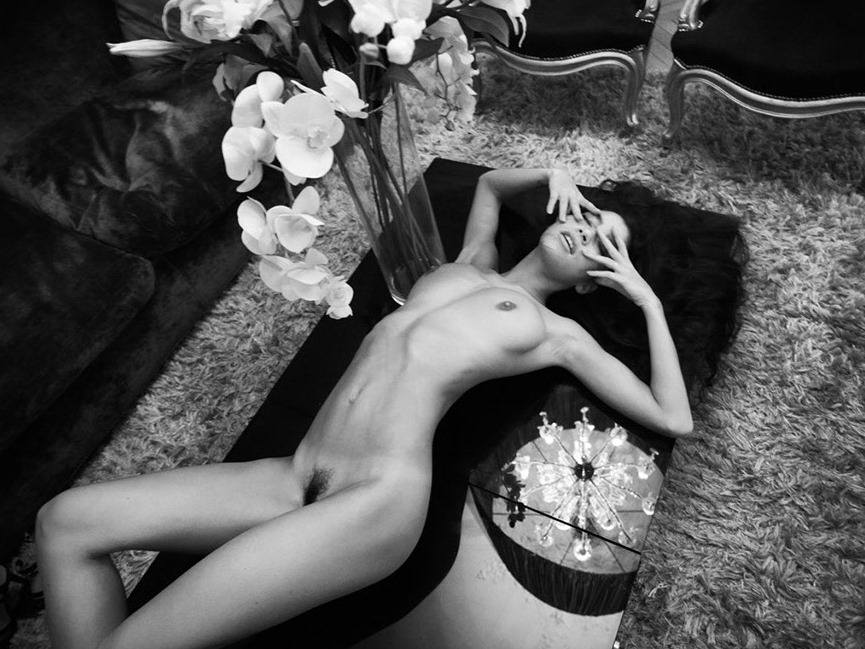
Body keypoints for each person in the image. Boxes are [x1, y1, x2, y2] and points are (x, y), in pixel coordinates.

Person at [35, 167, 745, 649]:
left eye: (602, 243)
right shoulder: (469, 263)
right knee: (65, 522)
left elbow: (672, 416)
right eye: (586, 218)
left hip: (374, 501)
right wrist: (556, 173)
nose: (583, 231)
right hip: (293, 474)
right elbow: (491, 186)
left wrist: (643, 296)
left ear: (595, 282)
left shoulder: (554, 331)